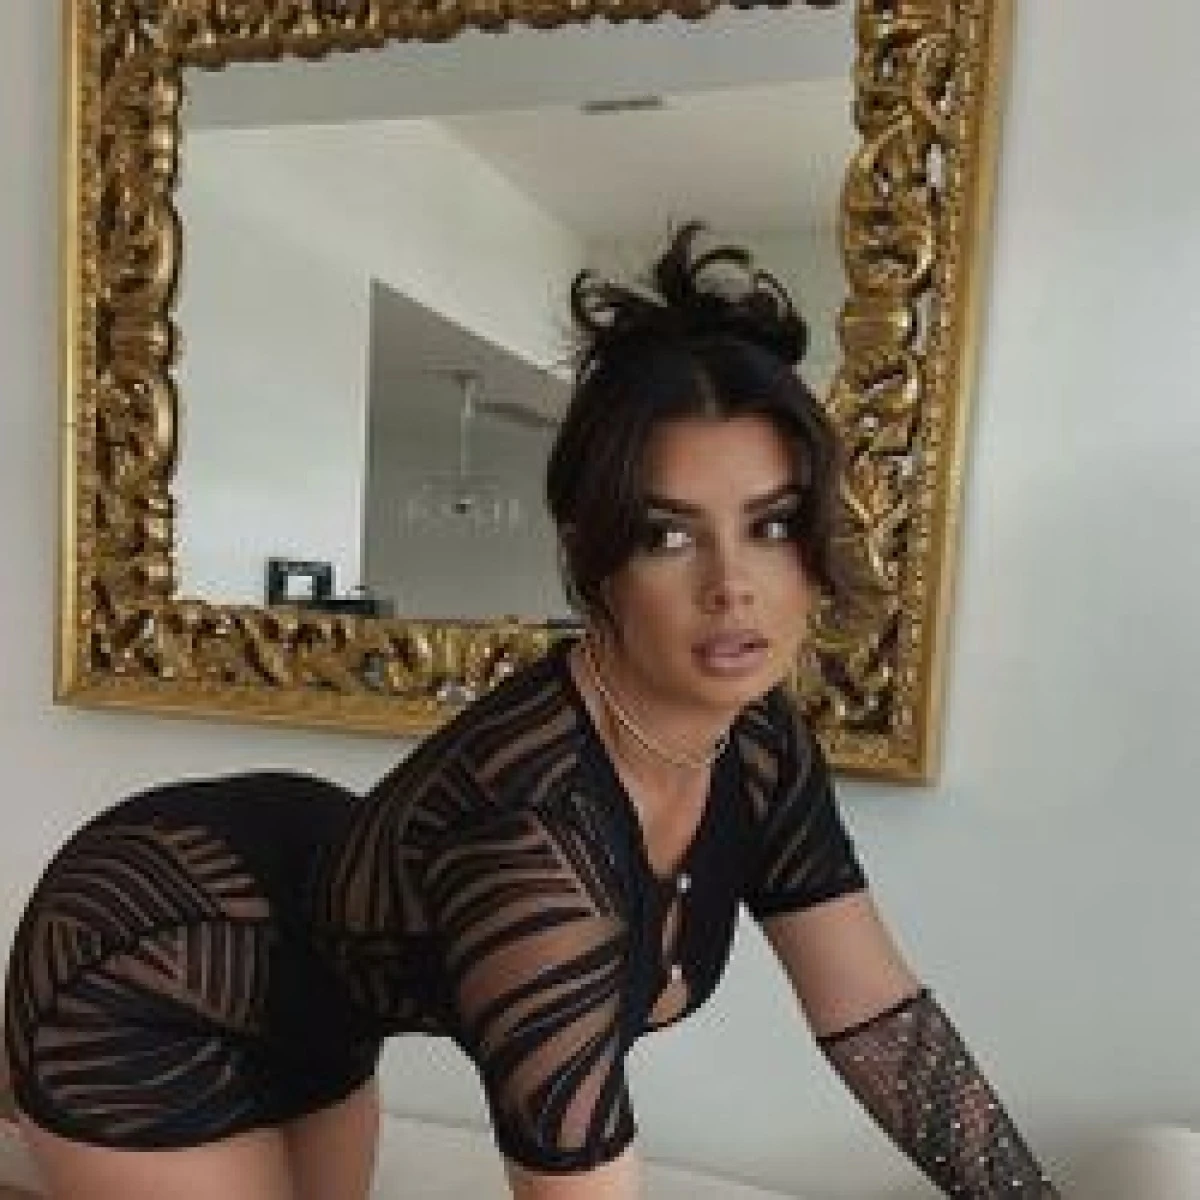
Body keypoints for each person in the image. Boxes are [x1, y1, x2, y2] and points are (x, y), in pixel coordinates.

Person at [3, 224, 1058, 1198]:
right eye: (669, 535)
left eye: (773, 525)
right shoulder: (533, 836)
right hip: (148, 958)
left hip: (308, 993)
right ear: (593, 552)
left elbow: (876, 1016)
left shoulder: (759, 742)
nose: (734, 586)